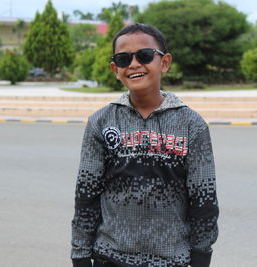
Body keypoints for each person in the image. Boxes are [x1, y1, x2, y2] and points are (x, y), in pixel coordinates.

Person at [71, 23, 219, 267]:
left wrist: (202, 255)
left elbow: (203, 200)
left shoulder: (192, 125)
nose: (134, 64)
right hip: (110, 259)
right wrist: (80, 255)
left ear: (164, 62)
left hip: (172, 260)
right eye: (123, 58)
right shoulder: (101, 122)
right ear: (115, 69)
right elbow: (86, 196)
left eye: (145, 55)